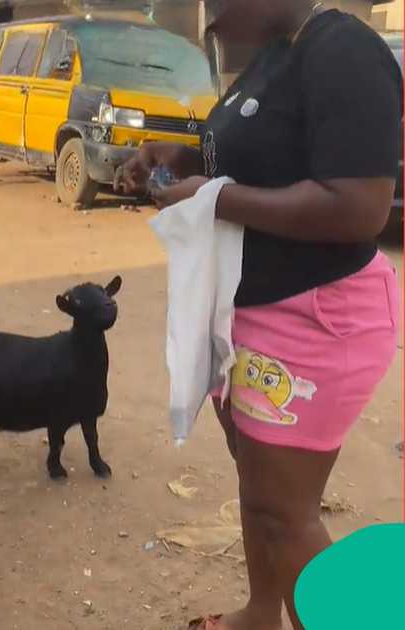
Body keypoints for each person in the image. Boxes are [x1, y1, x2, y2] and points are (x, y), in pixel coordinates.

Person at [116, 2, 402, 629]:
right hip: (255, 310)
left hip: (318, 315)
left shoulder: (343, 49)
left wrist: (213, 199)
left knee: (284, 511)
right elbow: (257, 156)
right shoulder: (274, 57)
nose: (209, 13)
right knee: (259, 486)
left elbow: (357, 207)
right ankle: (259, 613)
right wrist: (184, 158)